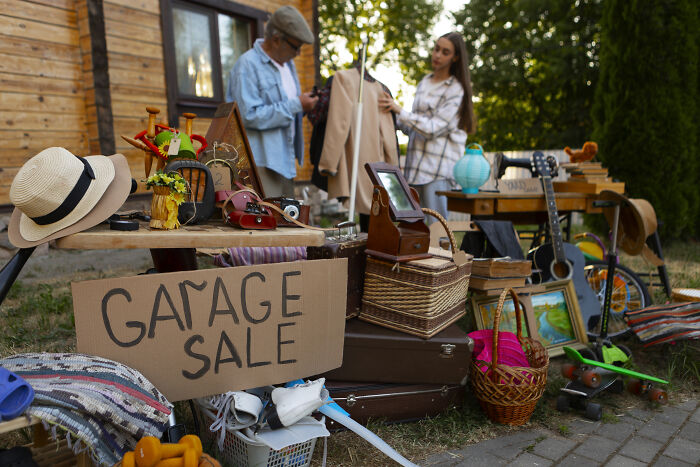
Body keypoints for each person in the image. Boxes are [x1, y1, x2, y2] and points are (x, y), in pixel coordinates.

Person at [378, 32, 476, 220]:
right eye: (436, 49)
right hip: (414, 169)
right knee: (415, 230)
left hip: (437, 172)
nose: (437, 55)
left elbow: (433, 129)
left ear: (455, 58)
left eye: (445, 52)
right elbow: (413, 127)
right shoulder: (424, 83)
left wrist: (399, 111)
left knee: (437, 230)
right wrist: (390, 116)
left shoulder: (455, 90)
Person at [226, 6, 318, 197]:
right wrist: (297, 105)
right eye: (296, 47)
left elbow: (285, 108)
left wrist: (305, 105)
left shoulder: (288, 65)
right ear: (276, 40)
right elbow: (249, 116)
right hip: (260, 164)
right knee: (264, 223)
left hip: (285, 162)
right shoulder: (247, 65)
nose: (298, 53)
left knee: (285, 223)